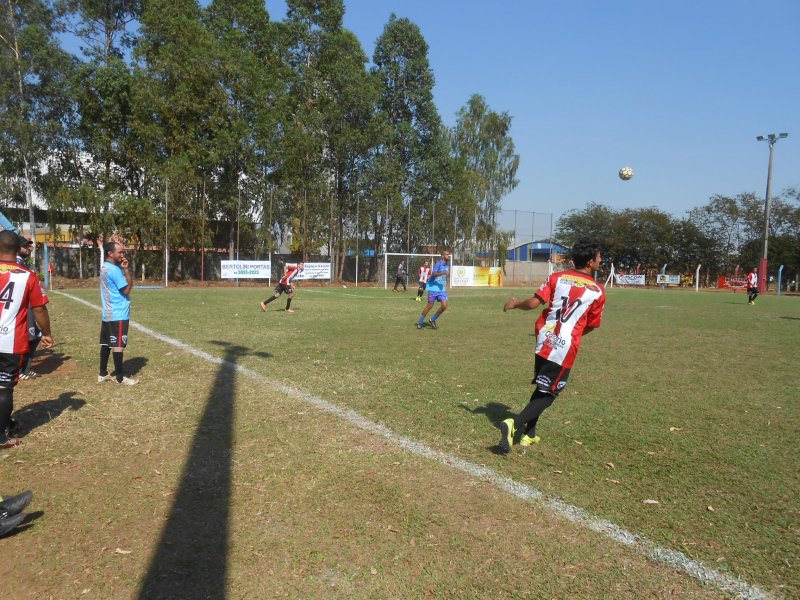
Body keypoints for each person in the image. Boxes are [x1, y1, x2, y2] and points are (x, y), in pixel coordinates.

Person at [498, 237, 605, 453]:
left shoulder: (556, 277)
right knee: (549, 394)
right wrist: (572, 335)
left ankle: (529, 434)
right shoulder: (597, 291)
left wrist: (514, 304)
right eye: (599, 256)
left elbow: (534, 303)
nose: (600, 260)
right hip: (564, 346)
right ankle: (514, 424)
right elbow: (592, 325)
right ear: (591, 262)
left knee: (543, 386)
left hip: (544, 339)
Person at [0, 231, 55, 448]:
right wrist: (48, 333)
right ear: (17, 249)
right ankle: (3, 435)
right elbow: (39, 309)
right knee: (4, 387)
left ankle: (6, 423)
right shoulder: (27, 276)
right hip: (8, 340)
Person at [99, 241, 137, 385]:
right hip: (118, 313)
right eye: (120, 252)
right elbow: (126, 290)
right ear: (110, 253)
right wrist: (126, 271)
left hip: (108, 311)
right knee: (118, 344)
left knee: (106, 343)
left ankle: (102, 373)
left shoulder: (104, 267)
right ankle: (120, 378)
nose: (122, 255)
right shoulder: (115, 270)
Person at [16, 238, 42, 380]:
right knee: (30, 337)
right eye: (26, 246)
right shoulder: (16, 262)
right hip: (23, 307)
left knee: (34, 336)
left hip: (26, 306)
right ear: (17, 247)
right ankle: (20, 370)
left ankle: (24, 369)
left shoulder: (21, 262)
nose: (29, 248)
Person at [416, 250, 451, 329]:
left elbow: (445, 275)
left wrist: (445, 281)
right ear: (442, 256)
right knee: (430, 306)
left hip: (441, 289)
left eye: (449, 254)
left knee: (444, 306)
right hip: (433, 288)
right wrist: (443, 273)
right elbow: (433, 274)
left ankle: (432, 320)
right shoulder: (438, 264)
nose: (448, 256)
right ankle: (420, 322)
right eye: (447, 254)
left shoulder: (448, 264)